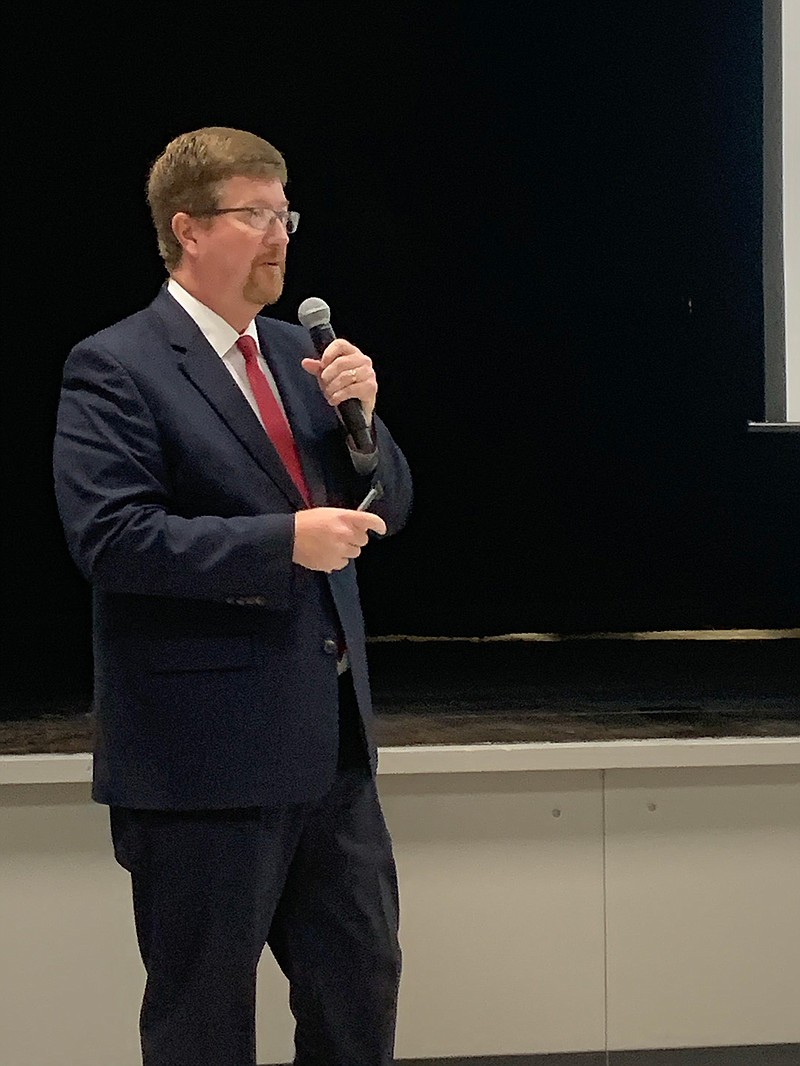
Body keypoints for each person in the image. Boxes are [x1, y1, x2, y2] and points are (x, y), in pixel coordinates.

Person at [53, 126, 413, 1066]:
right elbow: (113, 538)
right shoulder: (118, 366)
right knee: (205, 1018)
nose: (277, 235)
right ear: (188, 228)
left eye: (283, 213)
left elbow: (389, 504)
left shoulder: (302, 353)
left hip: (330, 752)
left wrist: (365, 422)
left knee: (360, 992)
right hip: (200, 756)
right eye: (253, 214)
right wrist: (281, 543)